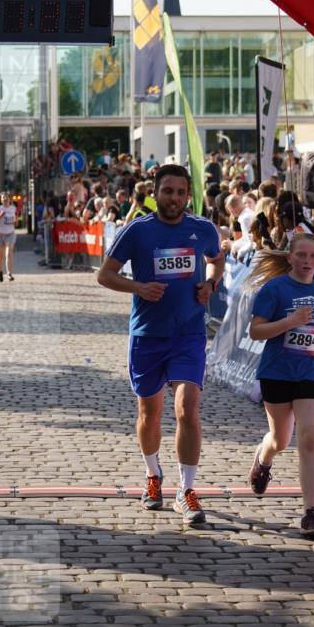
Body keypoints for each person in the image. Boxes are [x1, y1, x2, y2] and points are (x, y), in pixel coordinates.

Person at [97, 164, 225, 526]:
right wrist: (138, 288)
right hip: (147, 336)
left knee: (187, 409)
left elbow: (217, 259)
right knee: (149, 414)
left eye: (181, 192)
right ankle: (153, 476)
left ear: (188, 194)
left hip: (188, 334)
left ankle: (187, 490)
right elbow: (104, 274)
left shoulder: (202, 229)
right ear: (156, 193)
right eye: (167, 191)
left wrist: (211, 284)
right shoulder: (137, 230)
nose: (174, 198)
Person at [247, 232, 314, 540]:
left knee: (309, 437)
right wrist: (289, 322)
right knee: (280, 438)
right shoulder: (275, 289)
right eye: (300, 255)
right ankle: (264, 458)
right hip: (276, 371)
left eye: (311, 256)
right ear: (290, 258)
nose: (305, 261)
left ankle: (310, 514)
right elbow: (256, 331)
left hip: (311, 371)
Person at [0, 192, 17, 282]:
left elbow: (16, 221)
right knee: (0, 256)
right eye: (3, 197)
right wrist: (0, 216)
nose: (5, 198)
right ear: (1, 199)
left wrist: (15, 221)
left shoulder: (13, 208)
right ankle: (0, 271)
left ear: (9, 199)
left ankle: (9, 273)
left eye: (7, 197)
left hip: (10, 234)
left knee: (9, 253)